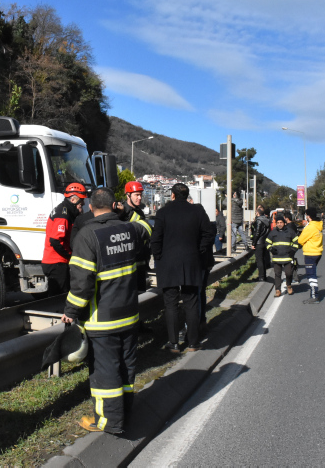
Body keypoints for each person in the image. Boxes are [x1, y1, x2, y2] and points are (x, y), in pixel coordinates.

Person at [61, 187, 150, 434]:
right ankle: (125, 412)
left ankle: (108, 421)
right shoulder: (130, 229)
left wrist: (71, 311)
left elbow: (82, 284)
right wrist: (127, 212)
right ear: (114, 206)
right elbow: (147, 227)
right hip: (129, 315)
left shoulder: (87, 236)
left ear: (91, 208)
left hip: (102, 320)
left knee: (105, 372)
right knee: (126, 367)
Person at [151, 183, 215, 353]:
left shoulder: (163, 212)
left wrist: (158, 257)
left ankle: (173, 343)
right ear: (187, 196)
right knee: (191, 302)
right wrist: (199, 250)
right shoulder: (197, 211)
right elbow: (209, 233)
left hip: (168, 263)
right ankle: (193, 342)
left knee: (171, 303)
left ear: (172, 195)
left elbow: (156, 239)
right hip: (192, 262)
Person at [42, 183, 87, 296]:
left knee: (58, 297)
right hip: (56, 263)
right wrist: (70, 255)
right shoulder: (63, 215)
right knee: (59, 298)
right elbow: (55, 240)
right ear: (73, 200)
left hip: (56, 262)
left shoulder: (65, 211)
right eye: (81, 201)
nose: (83, 204)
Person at [119, 181, 153, 292]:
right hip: (129, 261)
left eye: (140, 195)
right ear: (128, 195)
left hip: (141, 259)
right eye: (136, 195)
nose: (140, 198)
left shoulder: (138, 211)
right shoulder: (122, 212)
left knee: (141, 291)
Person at [266, 215, 299, 297]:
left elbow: (296, 241)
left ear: (284, 223)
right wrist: (271, 249)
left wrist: (293, 250)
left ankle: (289, 286)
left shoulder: (290, 231)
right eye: (278, 222)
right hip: (277, 258)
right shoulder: (273, 232)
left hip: (288, 257)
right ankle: (278, 290)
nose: (279, 224)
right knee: (277, 274)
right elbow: (267, 242)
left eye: (281, 222)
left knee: (289, 273)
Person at [297, 207, 324, 303]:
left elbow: (300, 240)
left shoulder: (310, 227)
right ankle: (314, 295)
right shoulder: (318, 225)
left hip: (310, 253)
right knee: (313, 273)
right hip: (317, 252)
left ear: (308, 216)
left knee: (311, 275)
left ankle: (314, 296)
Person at [250, 206, 271, 282]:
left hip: (259, 242)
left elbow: (257, 233)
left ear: (257, 213)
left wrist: (254, 243)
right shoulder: (267, 220)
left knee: (259, 260)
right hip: (265, 242)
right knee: (263, 259)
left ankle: (261, 277)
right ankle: (263, 276)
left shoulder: (259, 221)